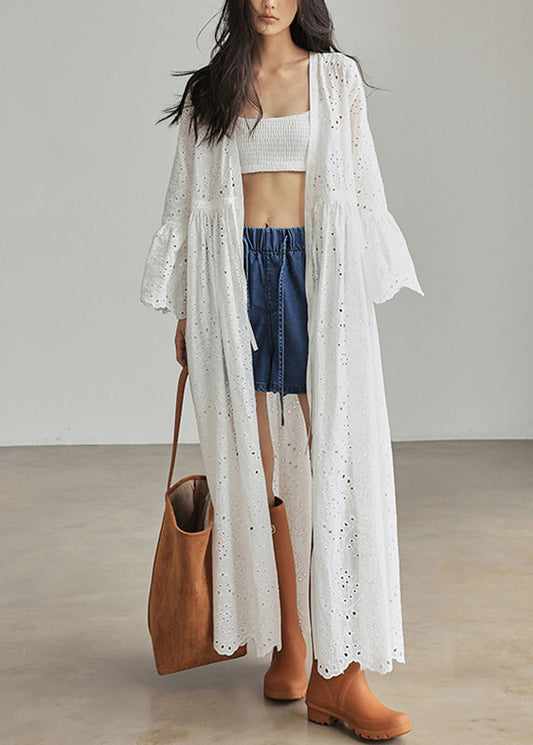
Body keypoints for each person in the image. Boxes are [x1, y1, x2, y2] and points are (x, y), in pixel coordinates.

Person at [141, 1, 424, 740]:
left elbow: (360, 188)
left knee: (336, 465)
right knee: (254, 472)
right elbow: (189, 200)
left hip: (313, 274)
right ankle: (289, 641)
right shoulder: (213, 88)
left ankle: (340, 669)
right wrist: (185, 311)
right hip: (229, 278)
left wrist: (357, 290)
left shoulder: (335, 80)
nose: (269, 1)